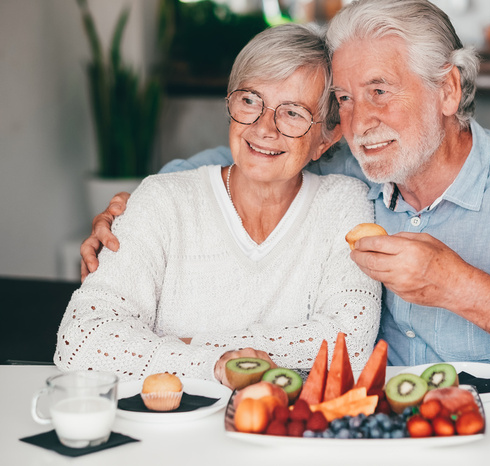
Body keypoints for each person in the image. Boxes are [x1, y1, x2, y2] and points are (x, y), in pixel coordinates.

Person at [81, 0, 490, 370]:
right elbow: (249, 156)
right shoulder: (350, 164)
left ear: (448, 91)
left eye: (381, 91)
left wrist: (463, 288)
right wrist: (135, 210)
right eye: (346, 100)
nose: (360, 122)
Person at [56, 23, 381, 386]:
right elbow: (81, 340)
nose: (263, 128)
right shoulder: (162, 199)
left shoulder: (344, 203)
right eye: (249, 101)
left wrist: (180, 344)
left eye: (292, 112)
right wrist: (213, 364)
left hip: (283, 433)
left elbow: (349, 347)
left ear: (326, 138)